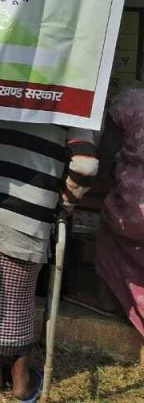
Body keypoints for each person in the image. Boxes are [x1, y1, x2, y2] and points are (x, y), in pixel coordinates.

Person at [0, 121, 98, 402]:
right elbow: (86, 166)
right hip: (30, 215)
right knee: (18, 301)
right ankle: (21, 378)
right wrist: (64, 204)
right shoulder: (73, 101)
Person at [90, 88, 144, 337]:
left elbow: (107, 153)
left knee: (109, 232)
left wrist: (106, 179)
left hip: (131, 206)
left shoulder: (129, 101)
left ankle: (106, 300)